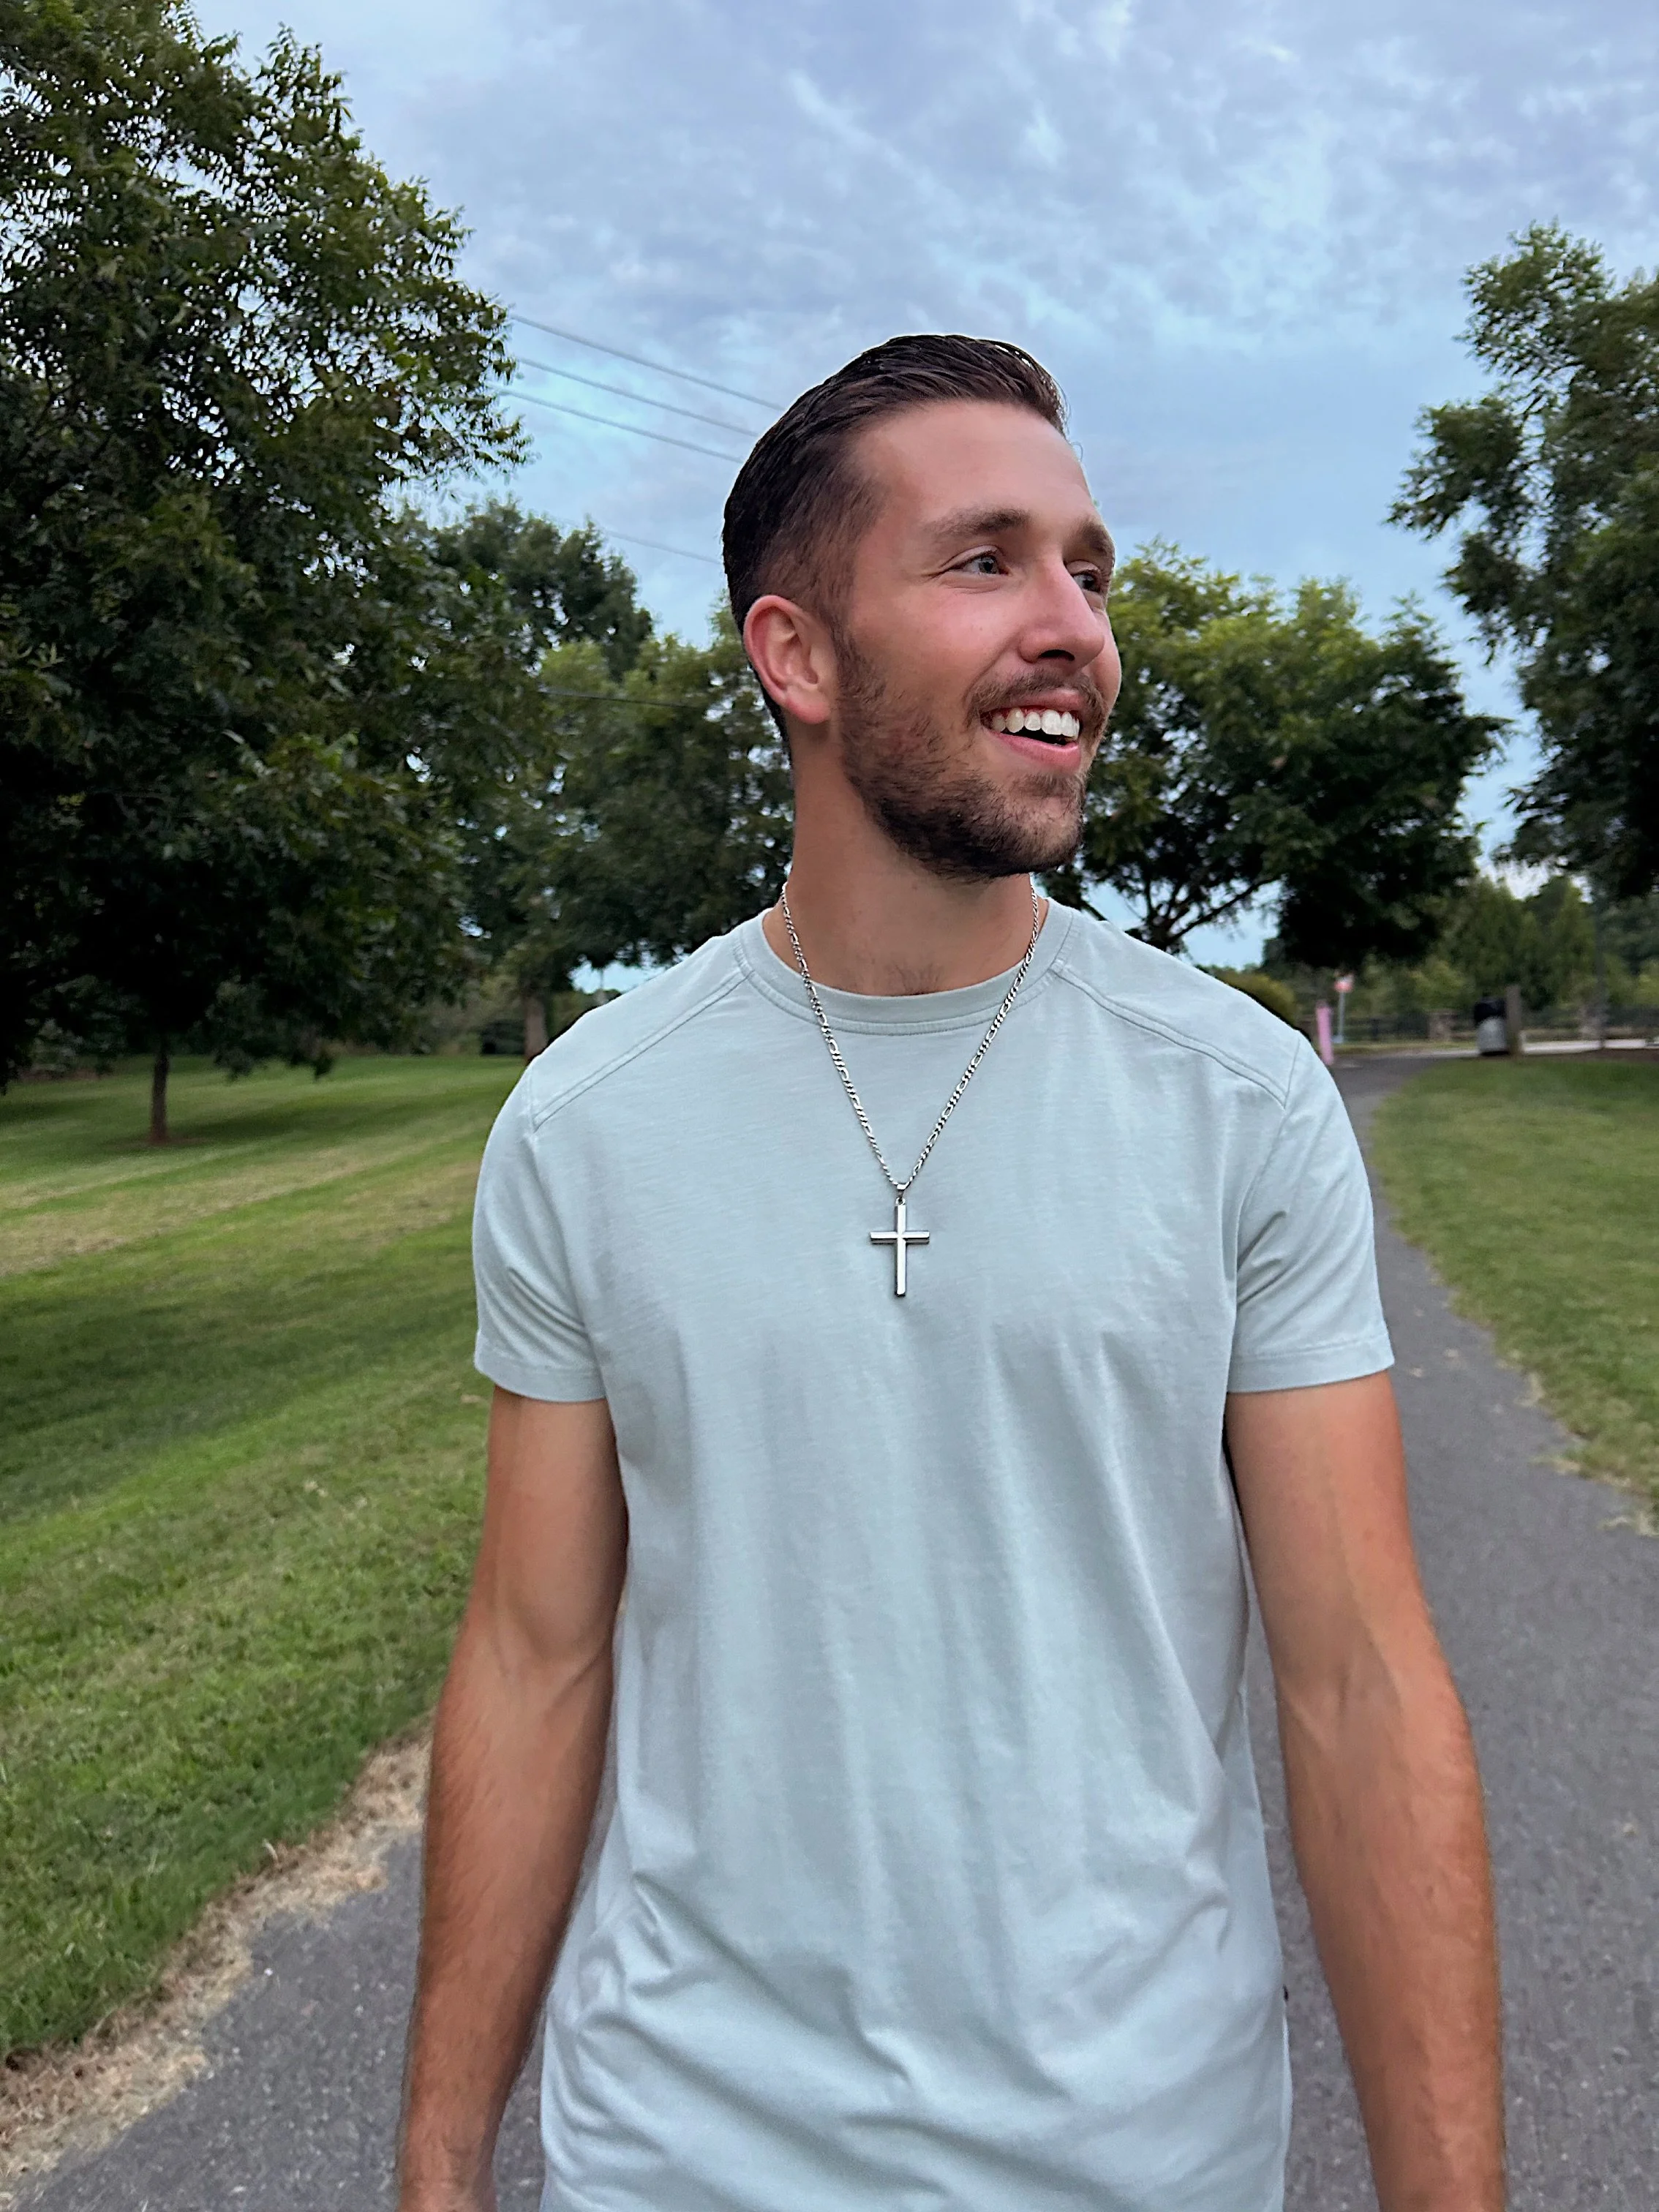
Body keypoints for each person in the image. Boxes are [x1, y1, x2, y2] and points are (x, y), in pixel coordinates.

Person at [397, 336, 1503, 2212]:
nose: (1073, 623)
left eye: (1088, 566)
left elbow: (1359, 1683)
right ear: (798, 655)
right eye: (986, 560)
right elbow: (533, 1648)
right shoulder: (589, 1123)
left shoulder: (1240, 1102)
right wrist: (437, 2158)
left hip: (1140, 2152)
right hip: (675, 2151)